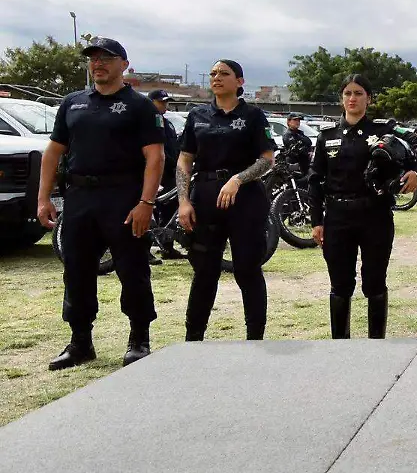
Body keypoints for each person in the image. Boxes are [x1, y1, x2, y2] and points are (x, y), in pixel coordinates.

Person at [35, 37, 164, 370]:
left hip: (122, 198)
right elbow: (53, 152)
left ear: (124, 64)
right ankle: (80, 342)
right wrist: (44, 197)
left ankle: (139, 340)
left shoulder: (139, 106)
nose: (98, 63)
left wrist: (145, 202)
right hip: (79, 199)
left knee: (132, 268)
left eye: (107, 58)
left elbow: (155, 156)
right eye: (93, 59)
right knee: (76, 270)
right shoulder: (72, 103)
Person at [309, 74, 417, 338]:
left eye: (359, 93)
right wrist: (317, 221)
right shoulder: (326, 137)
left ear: (369, 99)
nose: (352, 98)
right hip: (338, 218)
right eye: (348, 94)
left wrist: (416, 172)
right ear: (341, 99)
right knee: (340, 285)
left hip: (375, 216)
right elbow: (315, 181)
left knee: (374, 282)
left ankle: (377, 345)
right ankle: (340, 345)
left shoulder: (382, 130)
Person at [176, 60, 276, 341]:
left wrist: (238, 179)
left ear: (240, 82)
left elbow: (267, 160)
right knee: (204, 272)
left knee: (247, 269)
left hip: (245, 200)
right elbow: (185, 161)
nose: (216, 78)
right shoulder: (198, 116)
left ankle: (255, 337)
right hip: (205, 198)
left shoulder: (254, 116)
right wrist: (184, 201)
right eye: (213, 74)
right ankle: (193, 337)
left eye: (224, 74)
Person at [147, 88, 180, 261]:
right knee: (147, 211)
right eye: (161, 102)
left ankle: (167, 247)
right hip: (152, 173)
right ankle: (144, 251)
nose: (164, 105)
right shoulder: (145, 121)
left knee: (169, 208)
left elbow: (174, 147)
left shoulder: (166, 123)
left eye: (166, 102)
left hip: (169, 174)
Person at [282, 113, 313, 177]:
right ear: (289, 122)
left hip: (304, 163)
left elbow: (309, 142)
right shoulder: (288, 134)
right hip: (294, 164)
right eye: (295, 120)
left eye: (298, 120)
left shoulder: (300, 133)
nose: (297, 122)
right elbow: (297, 150)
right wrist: (306, 151)